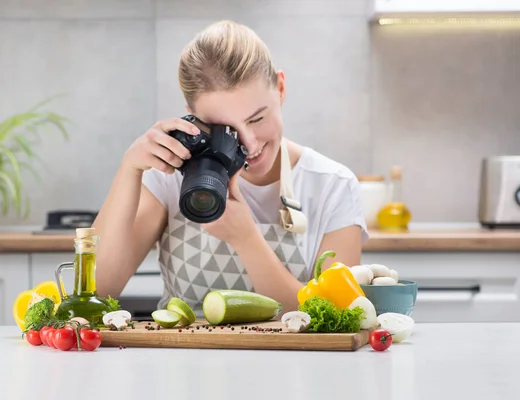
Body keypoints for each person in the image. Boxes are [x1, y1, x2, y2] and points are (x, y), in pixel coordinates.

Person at [93, 20, 368, 315]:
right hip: (182, 360)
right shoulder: (170, 177)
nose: (249, 144)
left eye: (257, 119)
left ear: (281, 89)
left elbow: (337, 319)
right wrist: (130, 169)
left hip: (295, 362)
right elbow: (95, 292)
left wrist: (246, 239)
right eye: (224, 129)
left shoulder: (333, 186)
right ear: (193, 117)